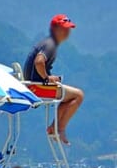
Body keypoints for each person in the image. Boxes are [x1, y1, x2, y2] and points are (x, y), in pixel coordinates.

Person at [23, 14, 84, 144]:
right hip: (37, 89)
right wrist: (47, 78)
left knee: (67, 97)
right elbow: (39, 62)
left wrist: (50, 78)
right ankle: (59, 129)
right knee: (79, 95)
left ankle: (55, 127)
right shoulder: (50, 45)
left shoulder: (47, 43)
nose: (67, 32)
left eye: (68, 29)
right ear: (55, 29)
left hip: (33, 86)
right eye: (64, 29)